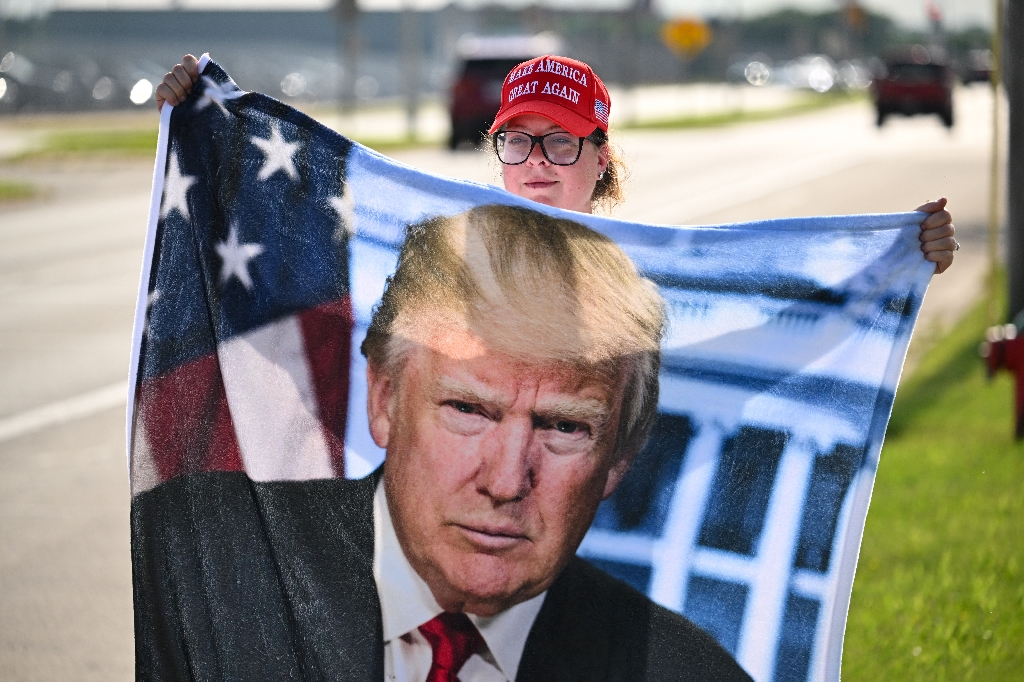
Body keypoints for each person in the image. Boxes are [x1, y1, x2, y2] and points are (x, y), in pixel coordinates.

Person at [133, 204, 752, 681]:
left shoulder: (687, 673)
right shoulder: (211, 557)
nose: (506, 481)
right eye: (467, 409)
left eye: (563, 427)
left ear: (619, 458)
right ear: (384, 400)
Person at [157, 53, 958, 274]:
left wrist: (899, 254)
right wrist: (197, 120)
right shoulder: (441, 254)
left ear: (599, 159)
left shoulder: (643, 273)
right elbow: (299, 249)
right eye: (519, 139)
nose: (537, 161)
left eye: (562, 141)